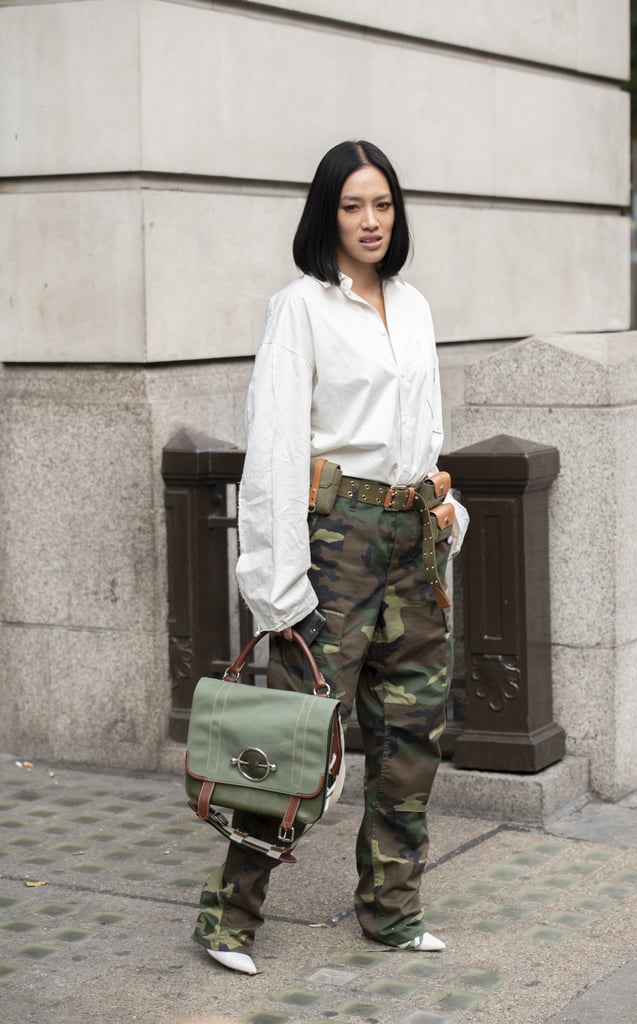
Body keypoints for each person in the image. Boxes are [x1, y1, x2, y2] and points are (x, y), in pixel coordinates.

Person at [192, 140, 468, 975]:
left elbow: (423, 424)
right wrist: (273, 586)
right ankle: (227, 918)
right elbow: (274, 447)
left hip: (412, 539)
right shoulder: (300, 309)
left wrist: (442, 506)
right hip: (336, 540)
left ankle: (389, 910)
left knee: (410, 733)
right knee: (296, 734)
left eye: (381, 203)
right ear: (327, 214)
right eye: (353, 205)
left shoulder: (413, 307)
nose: (371, 220)